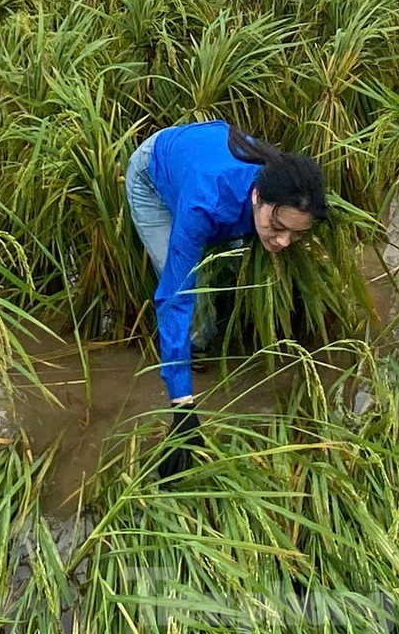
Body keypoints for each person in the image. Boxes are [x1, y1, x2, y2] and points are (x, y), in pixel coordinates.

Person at [124, 121, 326, 476]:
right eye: (277, 229)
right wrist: (182, 405)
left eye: (295, 234)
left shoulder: (287, 184)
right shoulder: (205, 205)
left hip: (205, 159)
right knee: (196, 293)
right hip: (154, 173)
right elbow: (175, 298)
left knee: (232, 269)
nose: (282, 242)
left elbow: (288, 223)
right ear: (257, 197)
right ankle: (199, 350)